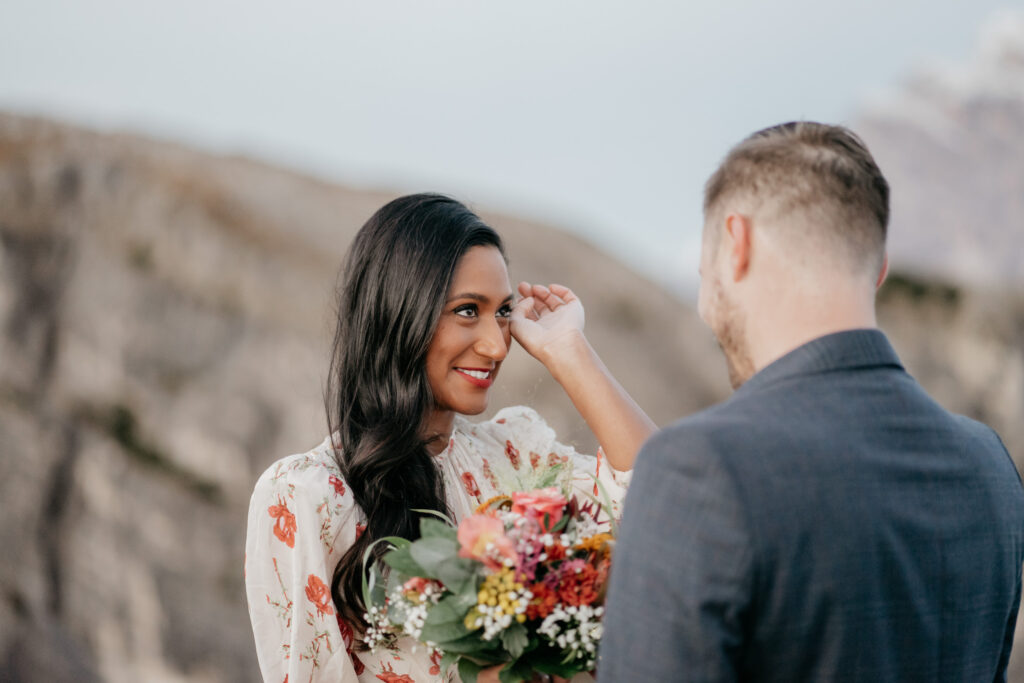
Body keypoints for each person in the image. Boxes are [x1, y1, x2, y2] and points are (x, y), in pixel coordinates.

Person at [600, 121, 1024, 681]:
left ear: (736, 244)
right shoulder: (989, 464)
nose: (705, 303)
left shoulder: (700, 468)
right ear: (879, 269)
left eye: (704, 275)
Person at [244, 193, 654, 682]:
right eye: (466, 310)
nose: (496, 343)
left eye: (503, 311)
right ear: (399, 312)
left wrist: (570, 350)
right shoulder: (309, 495)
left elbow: (661, 498)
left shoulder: (516, 453)